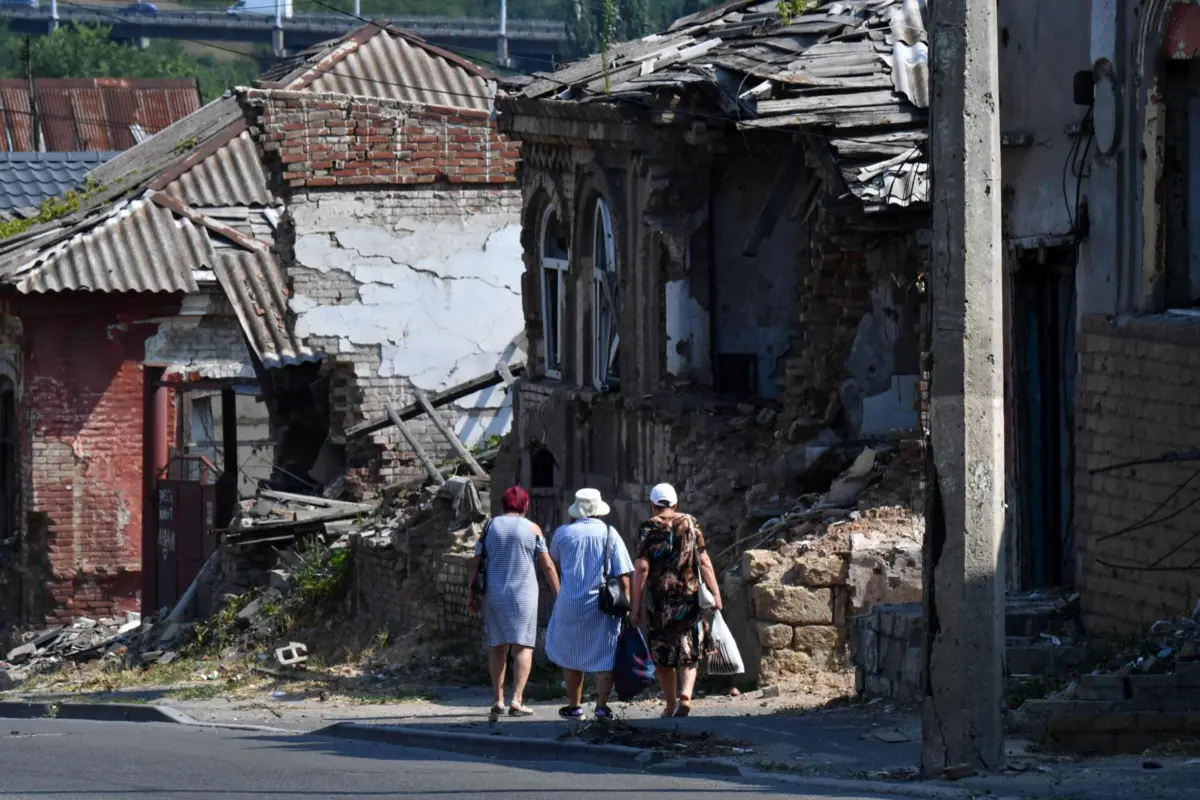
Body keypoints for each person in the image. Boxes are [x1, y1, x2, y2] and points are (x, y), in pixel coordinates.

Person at [467, 485, 560, 721]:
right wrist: (559, 594)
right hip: (524, 594)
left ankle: (497, 700)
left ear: (503, 504)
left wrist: (471, 594)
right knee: (522, 646)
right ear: (525, 506)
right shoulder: (533, 529)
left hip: (494, 593)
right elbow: (547, 565)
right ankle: (517, 700)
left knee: (498, 646)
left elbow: (476, 562)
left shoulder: (489, 527)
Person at [631, 482, 722, 718]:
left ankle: (671, 704)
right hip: (689, 597)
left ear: (652, 506)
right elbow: (704, 561)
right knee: (689, 646)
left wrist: (635, 605)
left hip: (660, 601)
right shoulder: (691, 524)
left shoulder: (647, 529)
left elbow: (642, 568)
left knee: (662, 652)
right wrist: (717, 594)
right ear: (675, 504)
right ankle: (686, 695)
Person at [544, 488, 633, 721]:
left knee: (572, 654)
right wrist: (629, 603)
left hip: (569, 602)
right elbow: (623, 574)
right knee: (605, 653)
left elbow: (554, 560)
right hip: (601, 604)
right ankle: (602, 706)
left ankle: (574, 706)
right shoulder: (610, 534)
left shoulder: (563, 534)